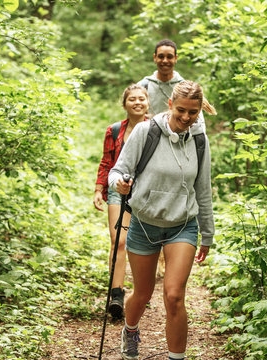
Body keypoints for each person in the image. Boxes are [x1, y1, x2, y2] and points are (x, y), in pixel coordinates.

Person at [108, 80, 216, 360]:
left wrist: (208, 234)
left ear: (198, 112)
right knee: (142, 294)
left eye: (192, 113)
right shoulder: (146, 131)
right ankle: (130, 330)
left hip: (182, 226)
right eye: (181, 110)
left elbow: (203, 189)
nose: (185, 118)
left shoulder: (200, 141)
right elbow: (118, 170)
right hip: (144, 224)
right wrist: (119, 182)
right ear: (170, 104)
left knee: (174, 296)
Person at [94, 84, 150, 320]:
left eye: (141, 99)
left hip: (145, 191)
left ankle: (140, 293)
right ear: (125, 104)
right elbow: (107, 163)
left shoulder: (157, 128)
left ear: (148, 102)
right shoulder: (115, 130)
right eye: (132, 100)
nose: (137, 103)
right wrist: (99, 189)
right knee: (118, 240)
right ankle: (116, 294)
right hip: (118, 188)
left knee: (138, 244)